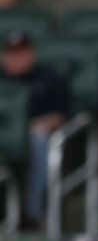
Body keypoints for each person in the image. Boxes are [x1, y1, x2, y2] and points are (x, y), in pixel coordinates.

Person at [1, 31, 70, 227]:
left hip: (31, 137)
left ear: (32, 53)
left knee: (40, 140)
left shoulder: (49, 78)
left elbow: (62, 115)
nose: (15, 58)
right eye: (11, 53)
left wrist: (43, 123)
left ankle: (34, 212)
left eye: (21, 53)